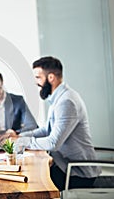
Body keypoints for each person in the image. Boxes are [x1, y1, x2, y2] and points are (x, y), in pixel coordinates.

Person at [17, 56, 101, 191]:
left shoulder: (66, 102)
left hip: (77, 172)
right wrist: (20, 136)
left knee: (33, 183)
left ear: (51, 78)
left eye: (38, 77)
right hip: (64, 164)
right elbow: (47, 130)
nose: (36, 82)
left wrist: (23, 142)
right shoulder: (59, 98)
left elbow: (53, 143)